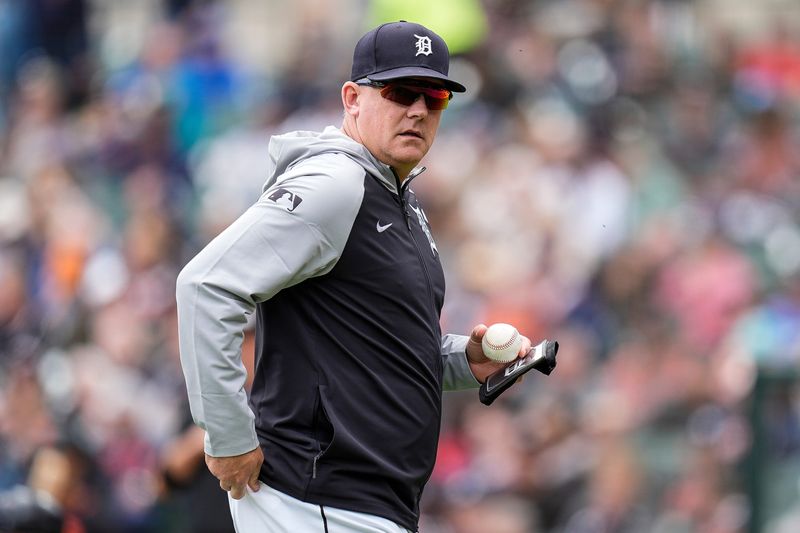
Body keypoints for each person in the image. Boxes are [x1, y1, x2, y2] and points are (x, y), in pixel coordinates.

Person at [176, 21, 532, 533]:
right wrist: (228, 438)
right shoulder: (336, 184)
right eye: (400, 92)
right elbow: (205, 286)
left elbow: (366, 345)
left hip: (359, 503)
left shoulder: (397, 196)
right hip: (317, 497)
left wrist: (460, 360)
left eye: (434, 97)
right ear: (352, 98)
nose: (418, 110)